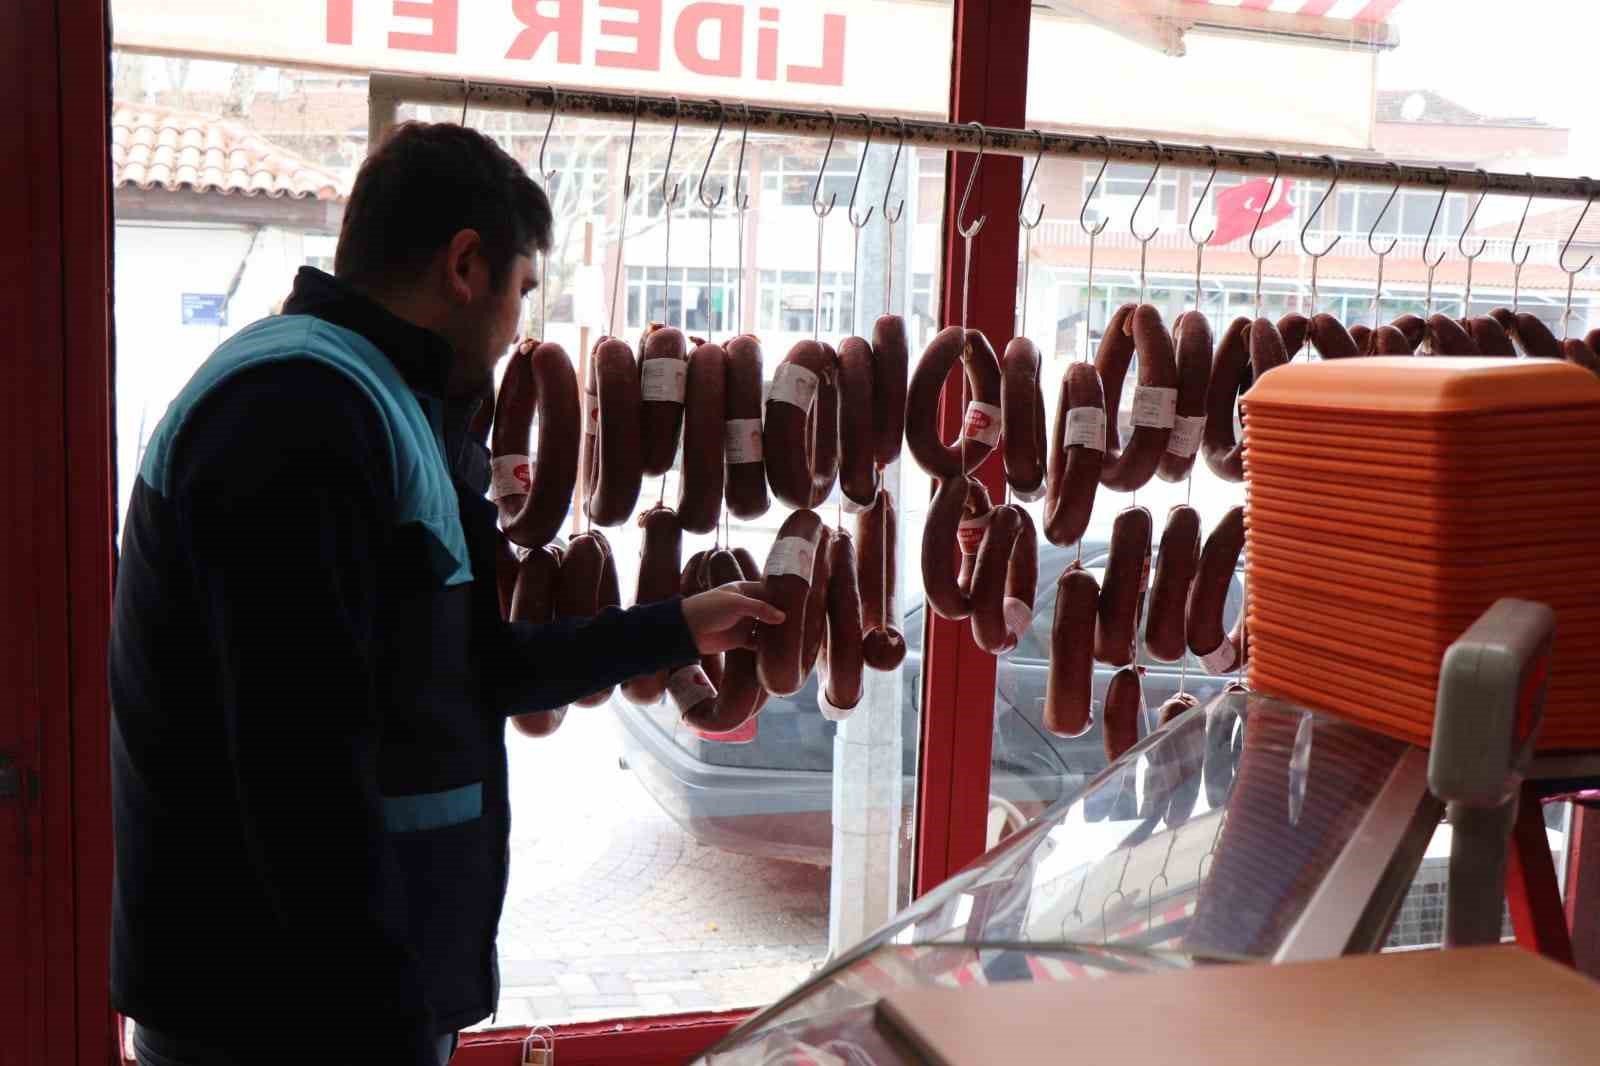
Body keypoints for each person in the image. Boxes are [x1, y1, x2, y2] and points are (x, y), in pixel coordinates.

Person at [108, 122, 781, 1066]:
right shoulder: (297, 414)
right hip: (280, 1021)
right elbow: (293, 775)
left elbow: (470, 668)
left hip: (339, 1005)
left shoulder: (377, 402)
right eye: (522, 292)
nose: (517, 332)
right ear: (466, 266)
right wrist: (383, 1019)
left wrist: (675, 627)